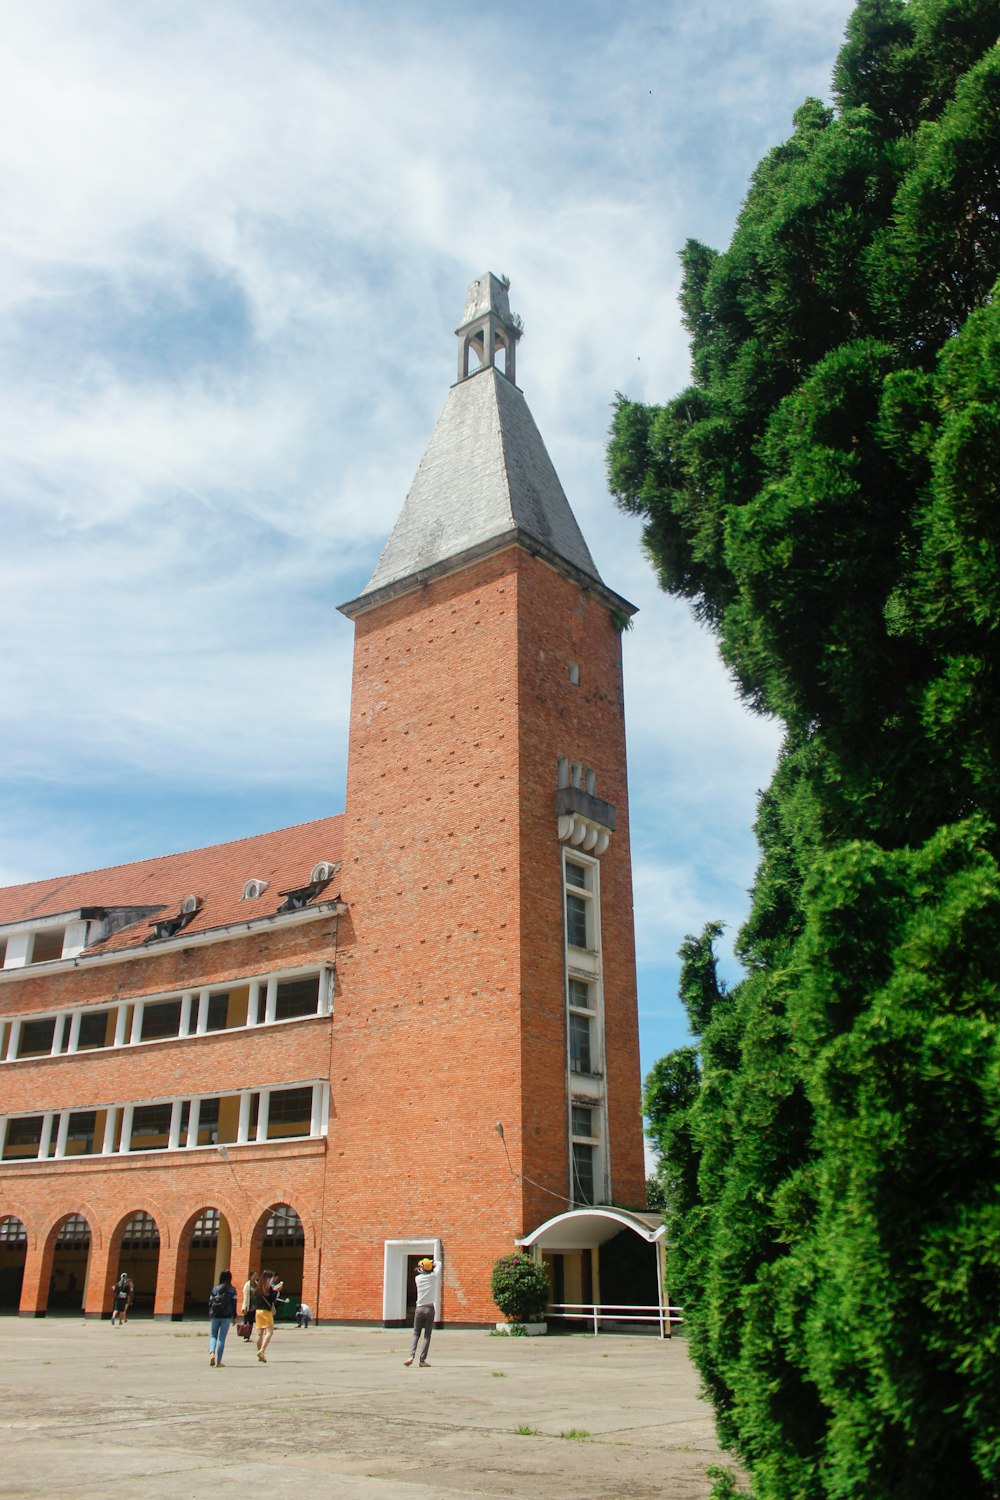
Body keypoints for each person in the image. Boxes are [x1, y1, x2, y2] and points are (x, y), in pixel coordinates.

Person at [403, 1258, 437, 1367]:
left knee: (416, 1333)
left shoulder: (417, 1278)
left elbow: (420, 1270)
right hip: (430, 1308)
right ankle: (422, 1360)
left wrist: (427, 1264)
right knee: (427, 1335)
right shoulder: (434, 1277)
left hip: (419, 1308)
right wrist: (432, 1263)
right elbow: (439, 1264)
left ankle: (411, 1356)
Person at [208, 1269, 238, 1367]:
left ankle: (212, 1353)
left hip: (215, 1315)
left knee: (213, 1335)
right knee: (221, 1338)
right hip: (226, 1316)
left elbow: (210, 1302)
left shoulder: (215, 1289)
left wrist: (210, 1313)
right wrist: (234, 1316)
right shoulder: (232, 1290)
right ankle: (219, 1361)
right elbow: (234, 1304)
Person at [253, 1270, 282, 1362]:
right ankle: (262, 1350)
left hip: (258, 1311)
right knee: (269, 1332)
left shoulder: (258, 1286)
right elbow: (272, 1299)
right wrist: (276, 1291)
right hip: (266, 1312)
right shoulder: (268, 1287)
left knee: (259, 1333)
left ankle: (260, 1354)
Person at [240, 1270, 258, 1339]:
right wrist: (245, 1307)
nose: (256, 1276)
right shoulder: (248, 1284)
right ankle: (245, 1335)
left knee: (251, 1322)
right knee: (246, 1321)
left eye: (256, 1275)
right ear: (251, 1276)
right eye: (254, 1275)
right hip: (248, 1306)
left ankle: (248, 1335)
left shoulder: (256, 1284)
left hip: (254, 1306)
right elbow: (246, 1297)